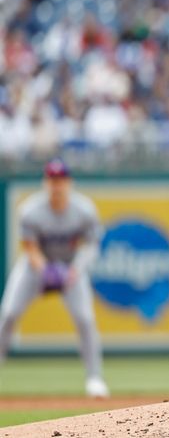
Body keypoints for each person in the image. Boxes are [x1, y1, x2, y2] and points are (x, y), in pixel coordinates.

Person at [0, 158, 109, 398]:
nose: (56, 185)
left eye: (60, 179)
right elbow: (30, 247)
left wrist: (75, 270)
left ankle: (94, 378)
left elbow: (91, 246)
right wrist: (45, 270)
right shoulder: (30, 210)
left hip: (71, 269)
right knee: (8, 314)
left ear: (69, 182)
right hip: (34, 269)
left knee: (85, 319)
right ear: (45, 182)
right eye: (51, 179)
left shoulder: (84, 209)